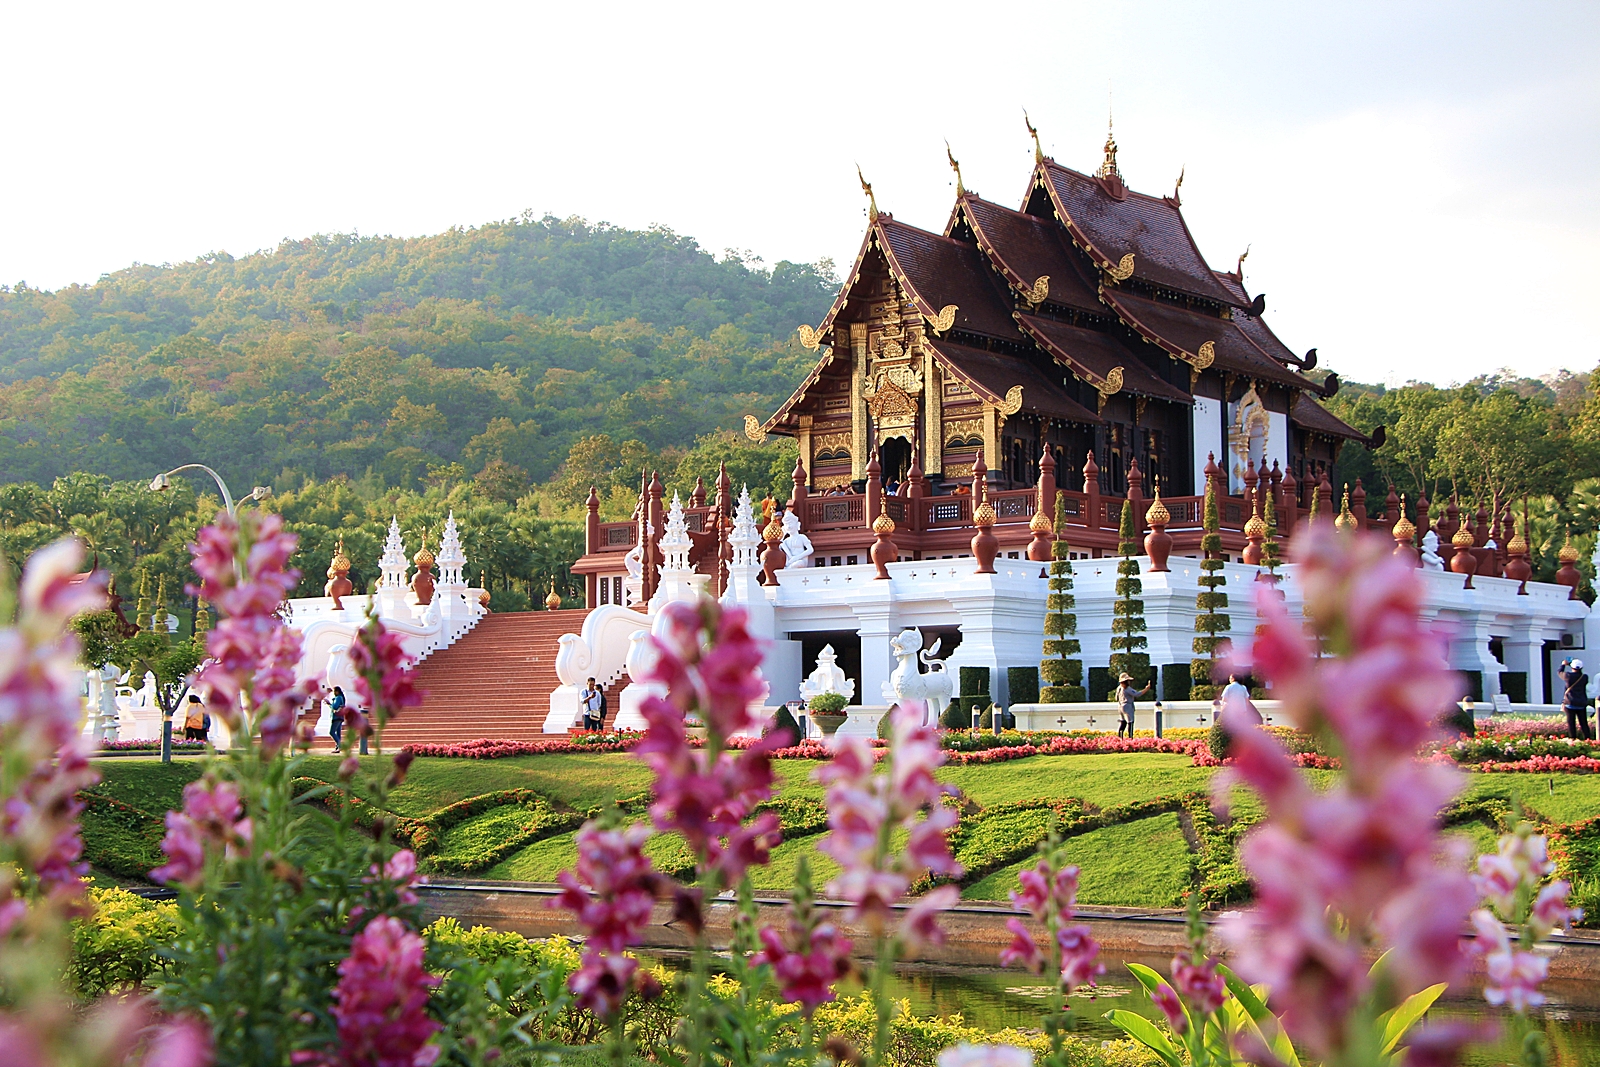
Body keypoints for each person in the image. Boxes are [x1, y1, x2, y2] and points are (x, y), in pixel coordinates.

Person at [1560, 659, 1592, 740]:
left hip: (1570, 703)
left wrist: (1563, 665)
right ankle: (1588, 739)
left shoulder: (1568, 676)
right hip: (1581, 703)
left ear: (1572, 667)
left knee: (1571, 723)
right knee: (1583, 723)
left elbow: (1559, 672)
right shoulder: (1584, 677)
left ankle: (1573, 739)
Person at [1114, 672, 1151, 738]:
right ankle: (1130, 738)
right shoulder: (1127, 689)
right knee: (1130, 722)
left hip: (1120, 706)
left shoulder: (1119, 688)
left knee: (1123, 722)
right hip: (1127, 706)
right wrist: (1146, 689)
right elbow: (1137, 694)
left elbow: (1116, 698)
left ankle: (1120, 737)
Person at [328, 685, 347, 753]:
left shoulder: (338, 698)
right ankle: (337, 748)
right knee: (338, 733)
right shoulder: (341, 697)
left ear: (337, 691)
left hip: (336, 717)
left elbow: (335, 707)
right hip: (340, 717)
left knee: (332, 732)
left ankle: (340, 745)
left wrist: (329, 704)